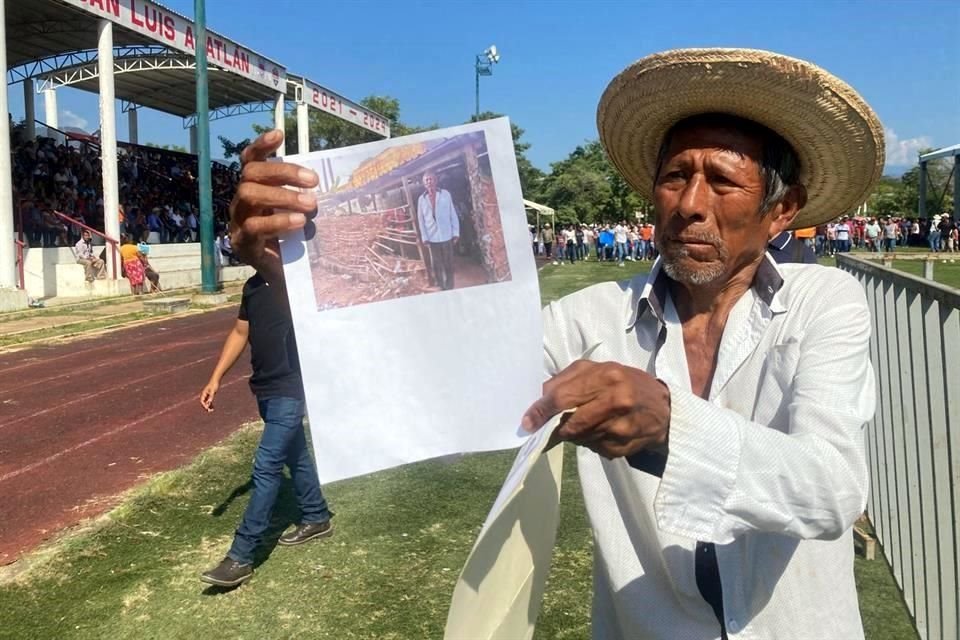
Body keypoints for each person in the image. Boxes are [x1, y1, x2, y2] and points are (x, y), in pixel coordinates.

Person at [228, 45, 883, 636]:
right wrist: (293, 274)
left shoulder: (824, 305)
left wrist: (671, 428)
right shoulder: (589, 322)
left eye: (723, 180)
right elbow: (439, 382)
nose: (690, 203)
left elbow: (831, 487)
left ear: (784, 209)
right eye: (676, 175)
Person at [199, 273, 333, 587]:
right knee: (295, 456)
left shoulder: (299, 283)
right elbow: (240, 331)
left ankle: (241, 556)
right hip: (265, 388)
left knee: (267, 466)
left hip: (292, 387)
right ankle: (316, 516)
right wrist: (215, 377)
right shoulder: (253, 286)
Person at [416, 170, 459, 290]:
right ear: (424, 183)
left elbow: (452, 213)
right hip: (432, 237)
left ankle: (450, 286)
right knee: (436, 265)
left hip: (447, 235)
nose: (429, 181)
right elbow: (421, 220)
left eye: (431, 179)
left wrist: (456, 232)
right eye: (426, 180)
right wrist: (424, 237)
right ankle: (441, 286)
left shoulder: (445, 194)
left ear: (435, 180)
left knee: (449, 263)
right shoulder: (421, 199)